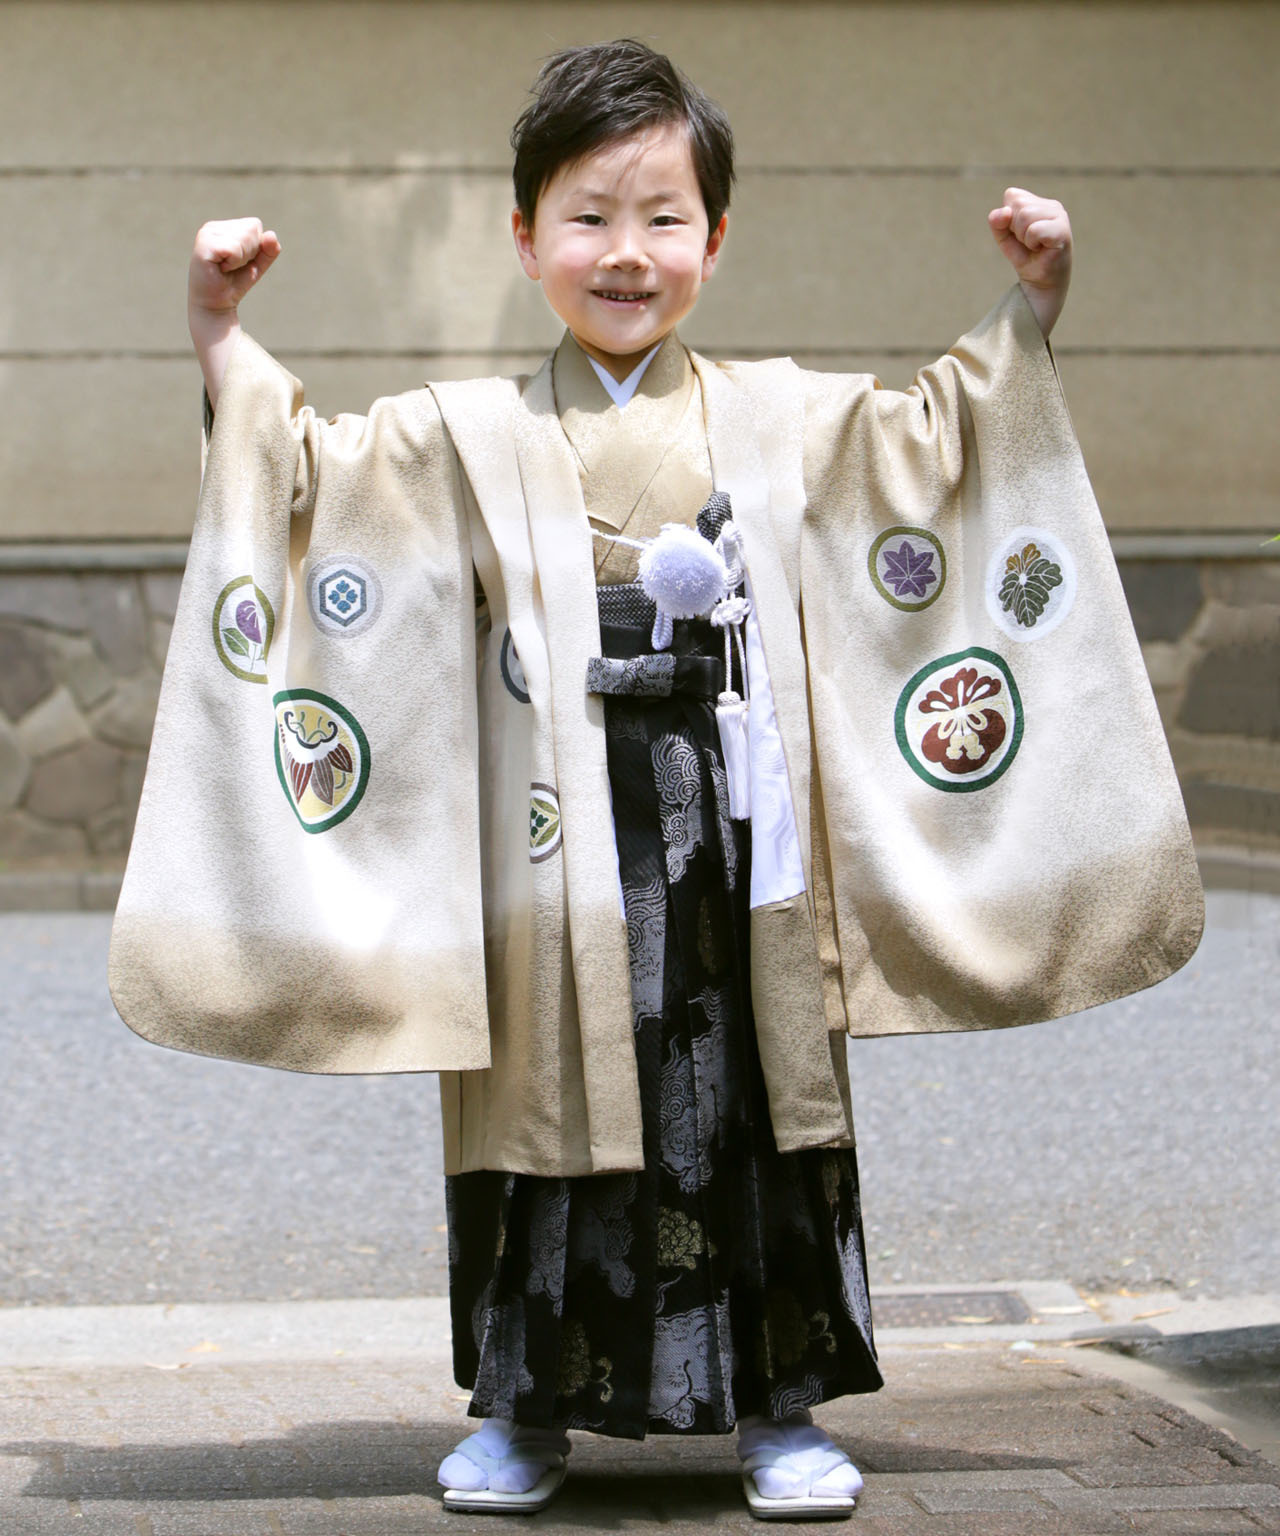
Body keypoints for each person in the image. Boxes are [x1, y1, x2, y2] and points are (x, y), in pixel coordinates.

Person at [124, 36, 1201, 1525]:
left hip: (742, 842)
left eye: (664, 217)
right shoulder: (467, 433)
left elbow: (942, 444)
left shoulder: (786, 418)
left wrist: (1033, 306)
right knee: (542, 1119)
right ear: (523, 238)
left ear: (716, 237)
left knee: (752, 1108)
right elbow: (306, 482)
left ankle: (780, 1412)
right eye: (587, 215)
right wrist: (218, 337)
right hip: (553, 850)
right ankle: (523, 1411)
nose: (626, 253)